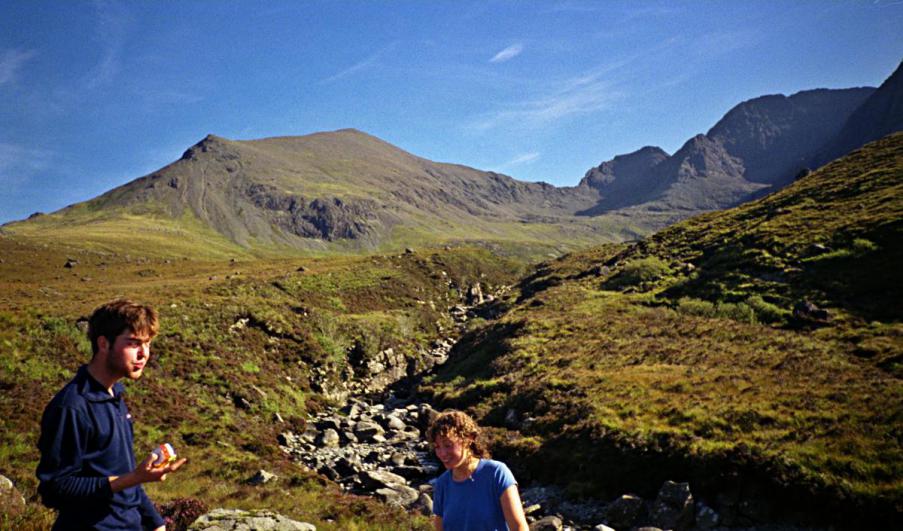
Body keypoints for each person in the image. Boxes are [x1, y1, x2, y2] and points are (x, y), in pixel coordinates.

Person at [36, 299, 187, 530]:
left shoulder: (114, 395)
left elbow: (122, 475)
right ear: (104, 343)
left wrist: (155, 522)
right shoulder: (72, 407)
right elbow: (56, 490)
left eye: (147, 344)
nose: (143, 354)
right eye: (134, 343)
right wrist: (135, 477)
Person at [427, 410, 528, 531]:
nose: (442, 453)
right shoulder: (442, 484)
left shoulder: (496, 473)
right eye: (437, 447)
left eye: (448, 445)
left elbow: (519, 528)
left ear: (469, 439)